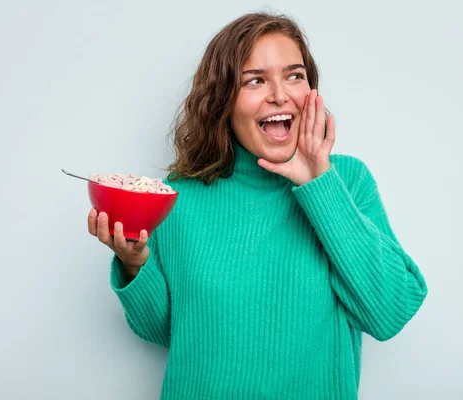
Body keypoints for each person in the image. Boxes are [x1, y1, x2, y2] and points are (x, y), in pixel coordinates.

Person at [87, 11, 428, 399]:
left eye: (294, 75)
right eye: (255, 80)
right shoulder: (178, 197)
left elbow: (391, 313)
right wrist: (134, 265)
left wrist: (318, 184)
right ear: (223, 101)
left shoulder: (346, 181)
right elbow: (169, 333)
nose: (280, 95)